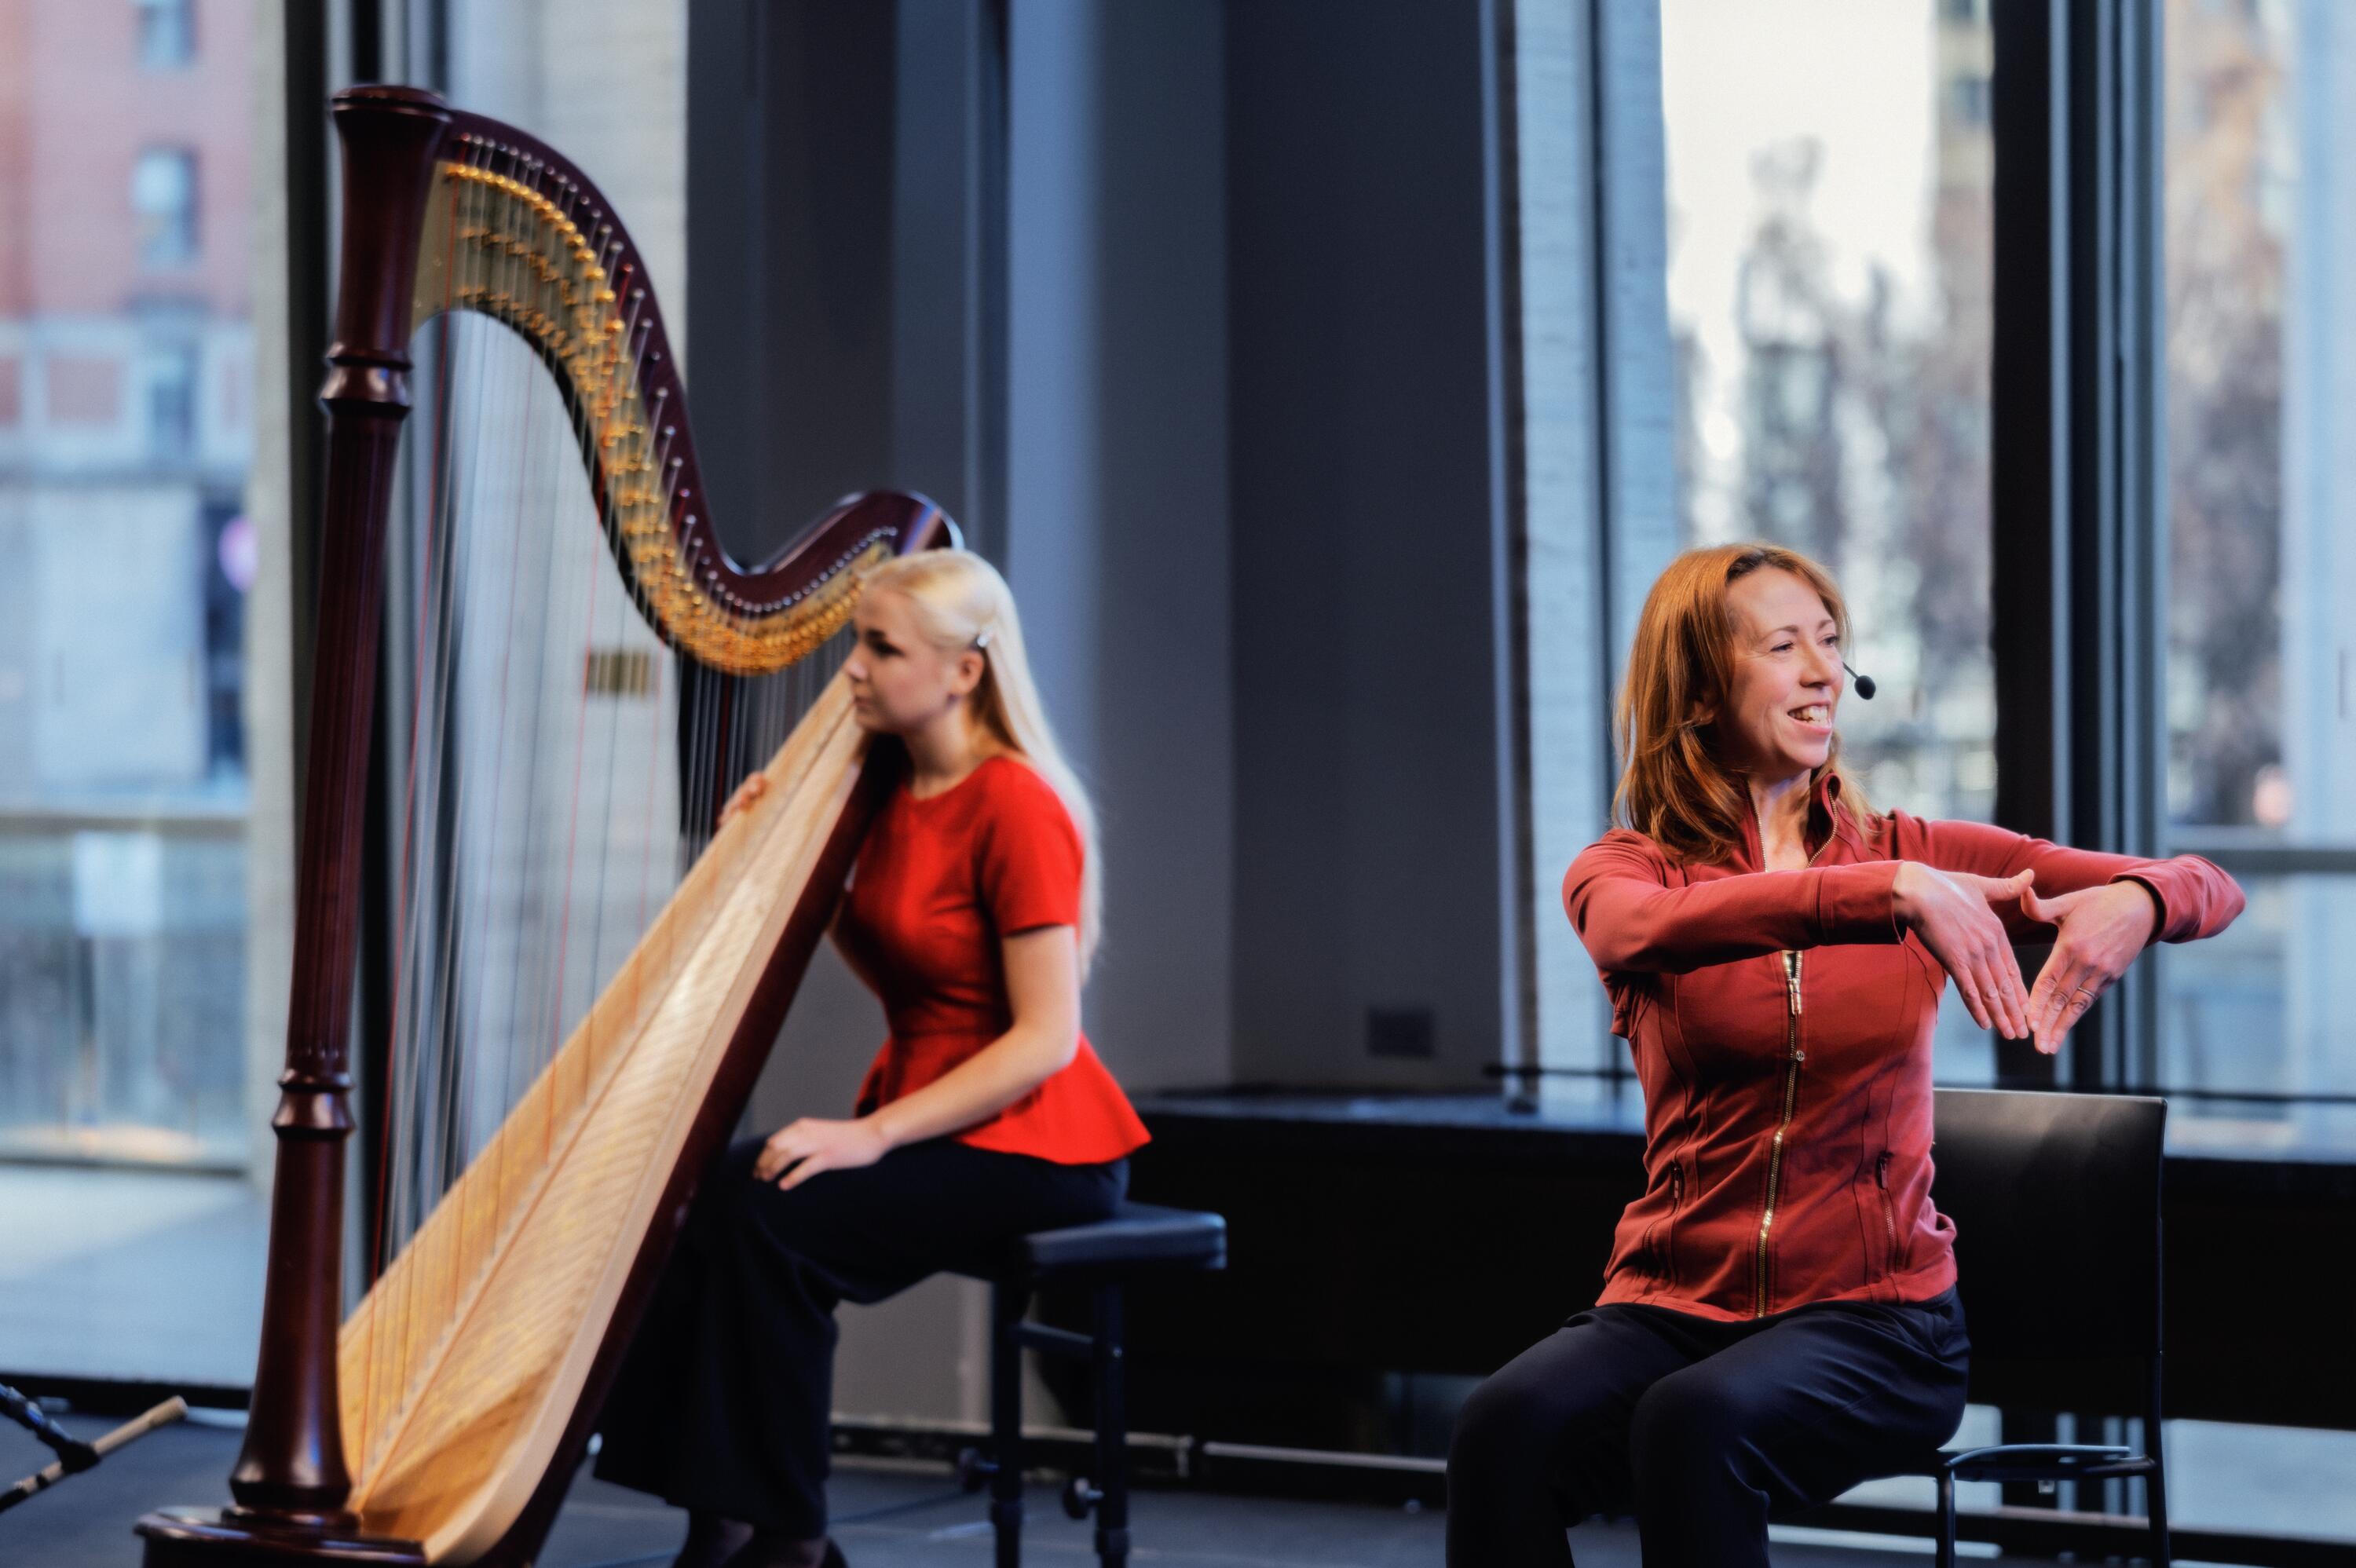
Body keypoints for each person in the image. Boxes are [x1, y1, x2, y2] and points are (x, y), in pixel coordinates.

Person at [1445, 543, 2244, 1566]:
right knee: (1500, 1429)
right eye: (1786, 646)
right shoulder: (1629, 866)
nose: (1826, 672)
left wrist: (2142, 899)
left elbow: (2205, 881)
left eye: (1831, 643)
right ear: (1697, 695)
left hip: (1880, 1323)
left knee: (1692, 1424)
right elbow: (1635, 930)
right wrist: (1888, 892)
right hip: (1668, 1305)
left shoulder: (1917, 850)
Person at [595, 549, 1149, 1568]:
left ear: (963, 670)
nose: (851, 666)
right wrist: (772, 851)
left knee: (778, 1220)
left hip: (1042, 1142)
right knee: (699, 1191)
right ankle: (713, 1507)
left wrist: (868, 1134)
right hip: (937, 1108)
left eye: (880, 645)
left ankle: (791, 1538)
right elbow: (903, 950)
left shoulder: (1016, 803)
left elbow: (1044, 1039)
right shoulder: (890, 787)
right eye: (858, 639)